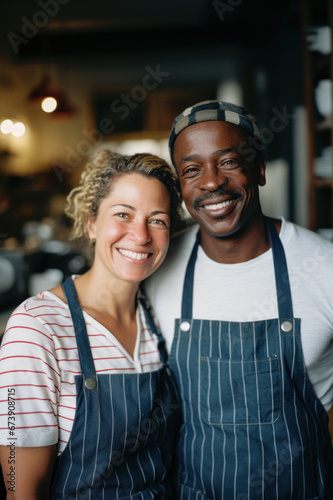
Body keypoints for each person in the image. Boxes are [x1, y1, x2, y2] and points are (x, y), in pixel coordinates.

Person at [144, 100, 333, 499]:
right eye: (192, 170)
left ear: (259, 168)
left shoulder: (323, 267)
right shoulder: (156, 271)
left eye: (229, 162)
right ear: (180, 187)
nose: (212, 183)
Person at [0, 149, 181, 499]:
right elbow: (20, 490)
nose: (141, 235)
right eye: (123, 214)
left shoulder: (158, 317)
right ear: (91, 223)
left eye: (157, 220)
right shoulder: (36, 328)